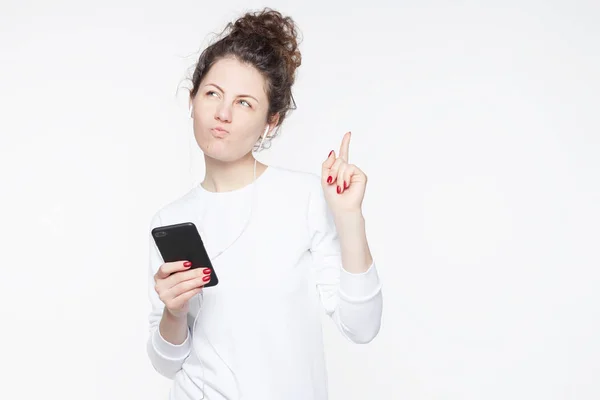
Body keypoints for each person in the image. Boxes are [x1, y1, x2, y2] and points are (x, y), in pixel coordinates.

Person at [146, 8, 383, 400]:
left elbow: (362, 327)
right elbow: (166, 363)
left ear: (270, 121)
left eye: (244, 103)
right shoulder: (170, 220)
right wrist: (173, 312)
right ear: (192, 99)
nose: (222, 113)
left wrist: (349, 218)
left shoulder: (305, 198)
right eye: (212, 94)